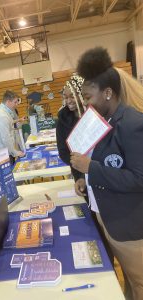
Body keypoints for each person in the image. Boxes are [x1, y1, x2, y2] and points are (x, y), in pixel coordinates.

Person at [70, 47, 143, 300]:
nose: (87, 104)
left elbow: (139, 178)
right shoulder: (105, 121)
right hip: (109, 217)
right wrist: (84, 179)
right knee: (131, 284)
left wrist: (92, 169)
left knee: (139, 283)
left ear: (108, 93)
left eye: (89, 98)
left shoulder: (132, 123)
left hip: (131, 226)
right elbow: (109, 164)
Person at [56, 74, 85, 182]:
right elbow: (63, 151)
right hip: (78, 173)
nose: (68, 101)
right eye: (66, 97)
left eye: (72, 96)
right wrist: (78, 164)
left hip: (99, 171)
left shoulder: (94, 116)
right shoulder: (62, 120)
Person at [0, 90, 25, 165]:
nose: (17, 104)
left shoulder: (5, 111)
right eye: (15, 102)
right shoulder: (2, 115)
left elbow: (8, 123)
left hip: (6, 151)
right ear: (8, 102)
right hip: (2, 153)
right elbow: (5, 138)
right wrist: (15, 152)